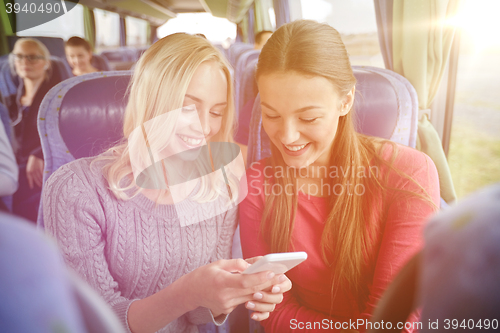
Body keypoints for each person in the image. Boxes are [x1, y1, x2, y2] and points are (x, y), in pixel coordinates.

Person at [43, 33, 291, 333]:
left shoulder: (220, 186)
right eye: (188, 107)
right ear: (152, 101)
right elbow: (94, 322)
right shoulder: (76, 190)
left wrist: (234, 289)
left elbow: (196, 315)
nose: (205, 126)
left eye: (216, 112)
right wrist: (188, 291)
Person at [239, 20, 440, 332]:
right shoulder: (257, 186)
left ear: (345, 101)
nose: (287, 136)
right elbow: (272, 313)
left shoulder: (408, 173)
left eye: (309, 117)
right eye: (271, 115)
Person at [6, 38, 62, 222]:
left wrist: (38, 153)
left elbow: (61, 129)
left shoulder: (57, 97)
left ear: (46, 63)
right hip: (14, 162)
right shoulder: (11, 100)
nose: (24, 62)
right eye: (19, 57)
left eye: (32, 57)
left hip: (43, 163)